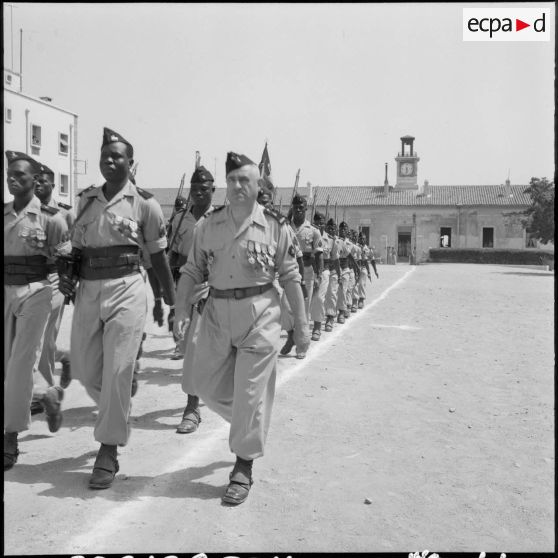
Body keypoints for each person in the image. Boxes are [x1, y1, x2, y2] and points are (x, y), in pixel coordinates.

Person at [174, 151, 309, 505]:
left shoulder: (276, 227)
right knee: (202, 383)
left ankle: (242, 467)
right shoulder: (209, 226)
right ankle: (249, 420)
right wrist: (180, 309)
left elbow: (291, 278)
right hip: (216, 313)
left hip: (260, 315)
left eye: (244, 180)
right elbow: (191, 270)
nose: (237, 186)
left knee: (249, 392)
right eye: (231, 179)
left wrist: (302, 324)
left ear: (256, 186)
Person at [59, 127, 175, 489]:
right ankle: (121, 392)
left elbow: (157, 256)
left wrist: (172, 301)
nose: (109, 161)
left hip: (127, 288)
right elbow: (75, 246)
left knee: (116, 373)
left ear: (131, 162)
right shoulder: (86, 200)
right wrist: (67, 272)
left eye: (117, 156)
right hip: (89, 289)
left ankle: (107, 450)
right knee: (83, 364)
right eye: (104, 155)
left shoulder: (145, 204)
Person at [4, 150, 69, 470]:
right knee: (8, 364)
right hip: (6, 290)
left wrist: (70, 289)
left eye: (21, 175)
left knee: (19, 363)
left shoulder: (50, 218)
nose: (13, 179)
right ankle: (47, 394)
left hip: (39, 291)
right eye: (9, 174)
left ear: (35, 180)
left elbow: (66, 260)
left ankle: (10, 436)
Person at [169, 165, 216, 434]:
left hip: (212, 285)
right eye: (194, 189)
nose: (198, 193)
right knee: (188, 345)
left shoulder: (222, 219)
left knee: (201, 346)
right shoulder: (179, 219)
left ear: (213, 190)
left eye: (204, 189)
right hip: (186, 285)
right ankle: (196, 401)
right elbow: (174, 255)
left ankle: (192, 407)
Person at [33, 162, 74, 394]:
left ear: (53, 184)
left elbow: (74, 249)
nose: (38, 183)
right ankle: (64, 357)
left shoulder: (65, 213)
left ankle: (45, 392)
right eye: (35, 179)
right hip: (24, 280)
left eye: (43, 180)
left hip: (54, 278)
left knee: (44, 335)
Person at [309, 211, 336, 341]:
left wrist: (337, 274)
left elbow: (335, 259)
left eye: (322, 222)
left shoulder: (330, 240)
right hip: (308, 270)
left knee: (319, 298)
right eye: (317, 222)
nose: (319, 224)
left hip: (323, 271)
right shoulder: (307, 235)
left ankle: (317, 326)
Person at [323, 219, 342, 332]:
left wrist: (339, 274)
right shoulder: (323, 238)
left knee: (331, 294)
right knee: (321, 297)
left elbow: (336, 260)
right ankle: (319, 318)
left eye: (334, 227)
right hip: (323, 270)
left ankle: (330, 317)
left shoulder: (337, 241)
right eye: (329, 227)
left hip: (333, 271)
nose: (332, 229)